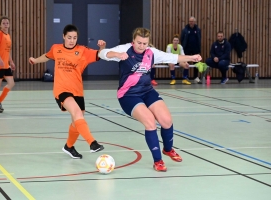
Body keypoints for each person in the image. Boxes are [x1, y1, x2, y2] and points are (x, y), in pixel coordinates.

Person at [99, 27, 202, 172]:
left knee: (166, 121)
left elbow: (173, 57)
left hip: (147, 91)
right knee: (150, 122)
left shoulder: (151, 52)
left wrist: (192, 57)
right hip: (128, 95)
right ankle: (158, 160)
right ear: (133, 41)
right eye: (139, 43)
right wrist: (116, 54)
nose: (141, 46)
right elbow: (102, 53)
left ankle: (168, 149)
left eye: (144, 43)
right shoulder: (125, 49)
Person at [29, 24, 105, 159]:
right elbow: (47, 56)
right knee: (76, 113)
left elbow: (99, 55)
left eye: (74, 38)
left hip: (77, 91)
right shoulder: (56, 48)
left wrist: (102, 48)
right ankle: (92, 143)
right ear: (63, 36)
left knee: (78, 120)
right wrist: (35, 60)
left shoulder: (82, 50)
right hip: (61, 90)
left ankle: (69, 147)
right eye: (69, 37)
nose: (72, 40)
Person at [0, 16, 15, 113]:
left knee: (11, 83)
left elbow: (7, 51)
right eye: (3, 23)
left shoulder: (8, 36)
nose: (5, 25)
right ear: (0, 25)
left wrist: (11, 61)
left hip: (6, 65)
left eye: (7, 23)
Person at [180, 16, 202, 83]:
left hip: (195, 48)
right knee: (186, 62)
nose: (191, 22)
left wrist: (198, 48)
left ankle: (196, 77)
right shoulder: (185, 29)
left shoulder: (198, 29)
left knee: (196, 63)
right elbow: (182, 38)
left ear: (194, 22)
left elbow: (199, 38)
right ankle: (186, 76)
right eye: (190, 21)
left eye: (192, 21)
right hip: (187, 48)